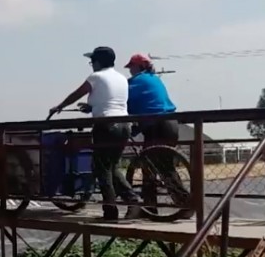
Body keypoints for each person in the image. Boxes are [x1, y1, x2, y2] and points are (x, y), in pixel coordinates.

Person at [49, 46, 140, 220]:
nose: (91, 65)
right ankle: (133, 199)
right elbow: (111, 101)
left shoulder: (96, 76)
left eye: (92, 62)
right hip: (124, 125)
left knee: (101, 169)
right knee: (111, 166)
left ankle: (110, 211)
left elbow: (77, 93)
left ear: (98, 62)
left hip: (106, 125)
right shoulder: (121, 78)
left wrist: (59, 106)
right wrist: (92, 107)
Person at [124, 53, 188, 205]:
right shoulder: (153, 78)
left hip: (157, 125)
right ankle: (177, 203)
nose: (130, 70)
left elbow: (118, 96)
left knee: (153, 166)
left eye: (131, 67)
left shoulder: (138, 80)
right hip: (169, 123)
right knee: (163, 167)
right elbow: (147, 105)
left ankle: (180, 202)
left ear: (139, 66)